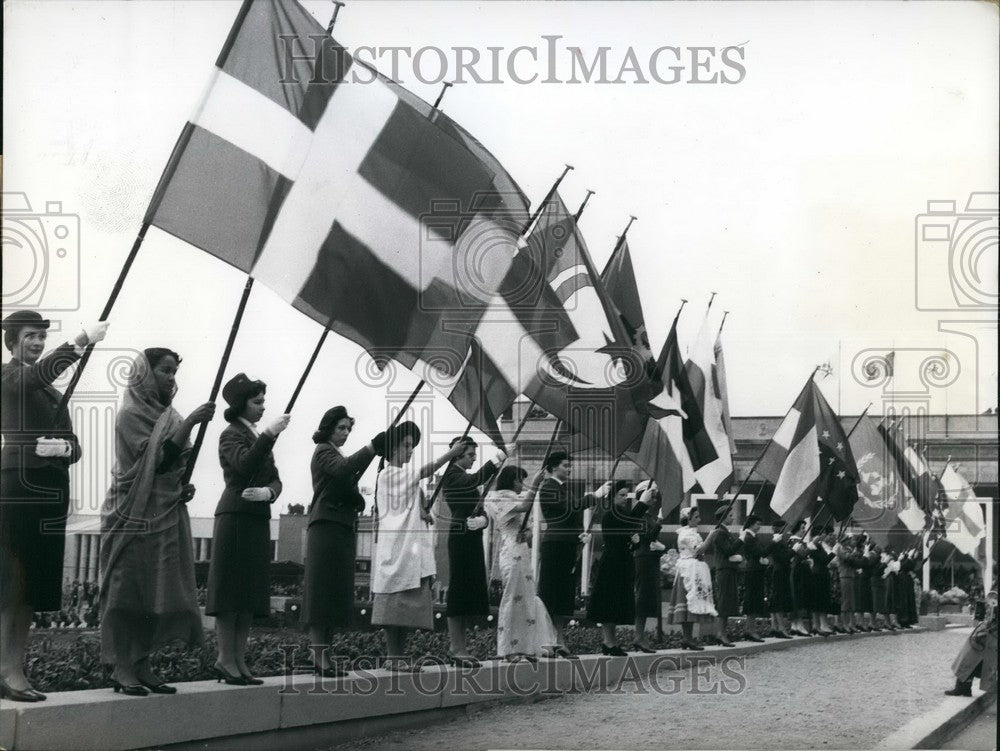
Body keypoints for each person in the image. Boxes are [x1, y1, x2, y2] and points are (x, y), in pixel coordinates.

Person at [1, 311, 108, 702]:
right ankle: (6, 669)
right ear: (12, 340)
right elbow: (32, 376)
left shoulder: (51, 391)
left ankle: (13, 667)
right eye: (30, 336)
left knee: (31, 588)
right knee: (14, 584)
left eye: (42, 336)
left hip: (50, 490)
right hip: (20, 487)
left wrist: (65, 449)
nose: (37, 342)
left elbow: (75, 444)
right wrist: (78, 343)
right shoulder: (9, 375)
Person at [99, 348, 215, 696]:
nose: (171, 378)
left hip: (165, 510)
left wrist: (185, 485)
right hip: (133, 513)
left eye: (174, 372)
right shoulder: (129, 414)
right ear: (145, 373)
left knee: (158, 591)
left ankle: (142, 662)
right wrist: (193, 422)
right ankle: (122, 667)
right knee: (128, 588)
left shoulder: (171, 415)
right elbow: (158, 459)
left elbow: (173, 468)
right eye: (165, 371)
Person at [205, 374, 289, 685]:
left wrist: (270, 492)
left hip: (255, 517)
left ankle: (238, 659)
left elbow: (275, 477)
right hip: (236, 515)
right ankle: (225, 658)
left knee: (248, 595)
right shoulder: (231, 434)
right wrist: (268, 434)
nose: (262, 407)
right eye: (257, 402)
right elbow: (243, 466)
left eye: (263, 401)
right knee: (231, 594)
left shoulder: (254, 434)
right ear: (241, 403)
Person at [372, 422, 464, 672]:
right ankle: (393, 657)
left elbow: (410, 506)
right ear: (392, 448)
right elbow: (424, 471)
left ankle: (398, 658)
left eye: (412, 446)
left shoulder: (402, 476)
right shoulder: (388, 473)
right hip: (397, 547)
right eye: (406, 445)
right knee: (395, 604)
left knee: (405, 607)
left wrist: (423, 513)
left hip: (408, 547)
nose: (410, 450)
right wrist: (450, 454)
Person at [302, 406, 381, 677]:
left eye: (349, 429)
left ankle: (324, 652)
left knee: (334, 593)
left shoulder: (336, 453)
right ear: (328, 429)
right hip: (325, 526)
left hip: (341, 526)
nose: (346, 433)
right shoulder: (324, 451)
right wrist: (371, 448)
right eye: (341, 428)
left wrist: (356, 496)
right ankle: (318, 652)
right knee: (321, 591)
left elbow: (347, 475)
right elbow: (343, 469)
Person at [441, 435, 503, 668]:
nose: (474, 458)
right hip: (460, 534)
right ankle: (456, 648)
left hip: (471, 534)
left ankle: (462, 647)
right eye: (470, 454)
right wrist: (497, 460)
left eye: (475, 454)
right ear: (457, 454)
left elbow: (479, 507)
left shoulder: (463, 476)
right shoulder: (450, 475)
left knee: (468, 592)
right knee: (459, 590)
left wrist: (484, 521)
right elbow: (474, 480)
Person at [483, 465, 556, 662]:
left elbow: (530, 527)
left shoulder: (519, 497)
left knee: (527, 596)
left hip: (523, 549)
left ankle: (527, 646)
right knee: (512, 596)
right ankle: (509, 649)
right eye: (518, 480)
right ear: (509, 480)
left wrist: (529, 533)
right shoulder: (496, 497)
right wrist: (534, 486)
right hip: (510, 549)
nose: (521, 484)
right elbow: (522, 507)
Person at [537, 450, 590, 658]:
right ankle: (546, 640)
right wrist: (593, 497)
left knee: (563, 595)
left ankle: (559, 640)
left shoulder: (565, 489)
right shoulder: (548, 487)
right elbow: (567, 509)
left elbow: (573, 516)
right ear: (552, 467)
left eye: (570, 465)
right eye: (565, 465)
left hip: (567, 545)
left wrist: (580, 535)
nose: (569, 469)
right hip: (554, 545)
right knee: (550, 593)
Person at [587, 480, 649, 655]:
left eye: (625, 495)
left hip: (622, 562)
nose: (624, 498)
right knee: (609, 602)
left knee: (616, 603)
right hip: (612, 563)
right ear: (612, 497)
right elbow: (627, 524)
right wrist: (642, 503)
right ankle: (608, 641)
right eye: (621, 495)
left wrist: (634, 542)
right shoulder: (611, 514)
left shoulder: (622, 514)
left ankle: (611, 642)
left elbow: (626, 536)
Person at [666, 506, 717, 650]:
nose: (699, 520)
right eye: (696, 517)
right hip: (688, 571)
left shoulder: (692, 533)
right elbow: (699, 550)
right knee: (688, 605)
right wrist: (711, 536)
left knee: (691, 605)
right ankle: (687, 638)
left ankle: (688, 638)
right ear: (687, 519)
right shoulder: (685, 534)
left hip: (694, 569)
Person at [632, 481, 665, 652]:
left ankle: (641, 635)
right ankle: (638, 636)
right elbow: (647, 537)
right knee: (642, 596)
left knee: (647, 597)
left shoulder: (648, 516)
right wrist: (659, 521)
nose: (654, 499)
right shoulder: (639, 516)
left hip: (650, 558)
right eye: (651, 495)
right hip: (643, 558)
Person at [945, 589, 997, 697]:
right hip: (989, 634)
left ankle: (963, 688)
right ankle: (964, 688)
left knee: (970, 659)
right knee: (972, 660)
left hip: (990, 636)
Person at [703, 506, 742, 646]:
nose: (732, 517)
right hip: (724, 570)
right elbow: (728, 550)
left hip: (728, 570)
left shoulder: (725, 532)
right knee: (724, 602)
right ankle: (720, 634)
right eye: (730, 515)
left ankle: (722, 633)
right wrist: (741, 540)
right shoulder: (720, 533)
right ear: (724, 517)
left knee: (727, 602)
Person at [738, 514, 767, 642]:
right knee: (752, 599)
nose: (759, 527)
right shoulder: (749, 537)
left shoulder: (754, 537)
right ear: (751, 524)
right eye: (757, 524)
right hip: (753, 570)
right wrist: (773, 544)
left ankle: (751, 629)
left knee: (756, 599)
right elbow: (760, 552)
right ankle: (749, 630)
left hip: (757, 570)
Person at [766, 520, 794, 638]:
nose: (784, 529)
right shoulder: (777, 542)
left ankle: (774, 626)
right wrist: (793, 551)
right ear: (776, 528)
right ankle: (781, 628)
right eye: (782, 527)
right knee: (779, 600)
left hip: (780, 571)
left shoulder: (780, 541)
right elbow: (782, 558)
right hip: (779, 572)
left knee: (775, 599)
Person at [834, 535, 861, 633]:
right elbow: (847, 558)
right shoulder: (840, 548)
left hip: (851, 575)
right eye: (848, 539)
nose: (849, 541)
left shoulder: (849, 548)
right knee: (846, 601)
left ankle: (851, 623)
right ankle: (845, 624)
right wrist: (854, 553)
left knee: (851, 601)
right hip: (844, 575)